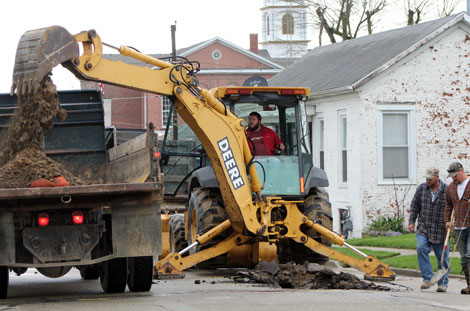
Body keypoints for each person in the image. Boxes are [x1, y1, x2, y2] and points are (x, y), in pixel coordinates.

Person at [408, 166, 449, 292]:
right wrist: (411, 222)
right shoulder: (421, 188)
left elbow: (452, 207)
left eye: (430, 179)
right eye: (426, 178)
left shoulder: (447, 190)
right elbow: (414, 205)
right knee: (420, 248)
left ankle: (442, 284)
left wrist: (450, 223)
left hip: (440, 229)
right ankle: (427, 278)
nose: (427, 181)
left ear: (437, 177)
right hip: (424, 227)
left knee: (442, 257)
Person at [444, 162, 470, 295]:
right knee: (464, 258)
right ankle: (469, 285)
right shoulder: (451, 188)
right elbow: (448, 205)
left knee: (469, 254)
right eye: (451, 177)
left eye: (455, 176)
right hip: (459, 226)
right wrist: (447, 220)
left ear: (461, 171)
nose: (453, 179)